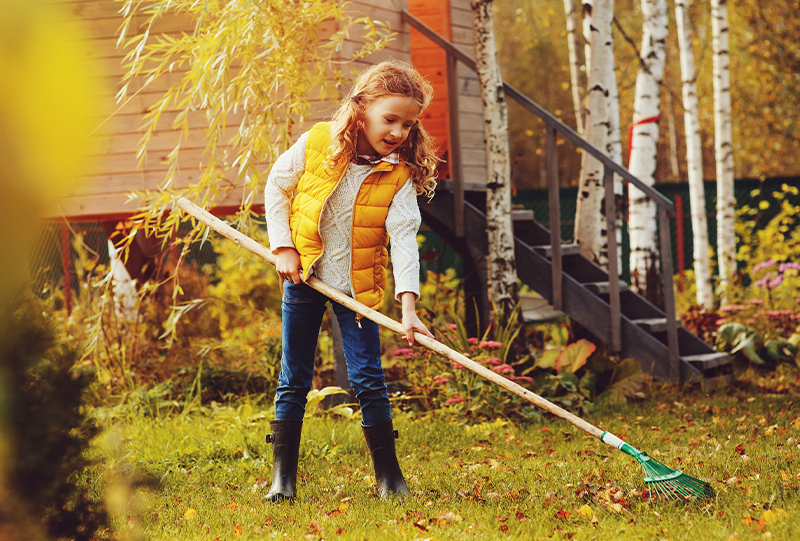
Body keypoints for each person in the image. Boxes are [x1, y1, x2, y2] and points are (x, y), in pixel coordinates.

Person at [263, 59, 438, 501]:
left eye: (407, 124)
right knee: (294, 377)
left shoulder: (398, 175)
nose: (398, 132)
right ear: (361, 109)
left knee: (368, 378)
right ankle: (282, 479)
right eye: (390, 119)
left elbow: (403, 240)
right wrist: (283, 246)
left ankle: (390, 478)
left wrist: (409, 309)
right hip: (304, 278)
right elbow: (277, 187)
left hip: (357, 291)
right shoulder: (319, 142)